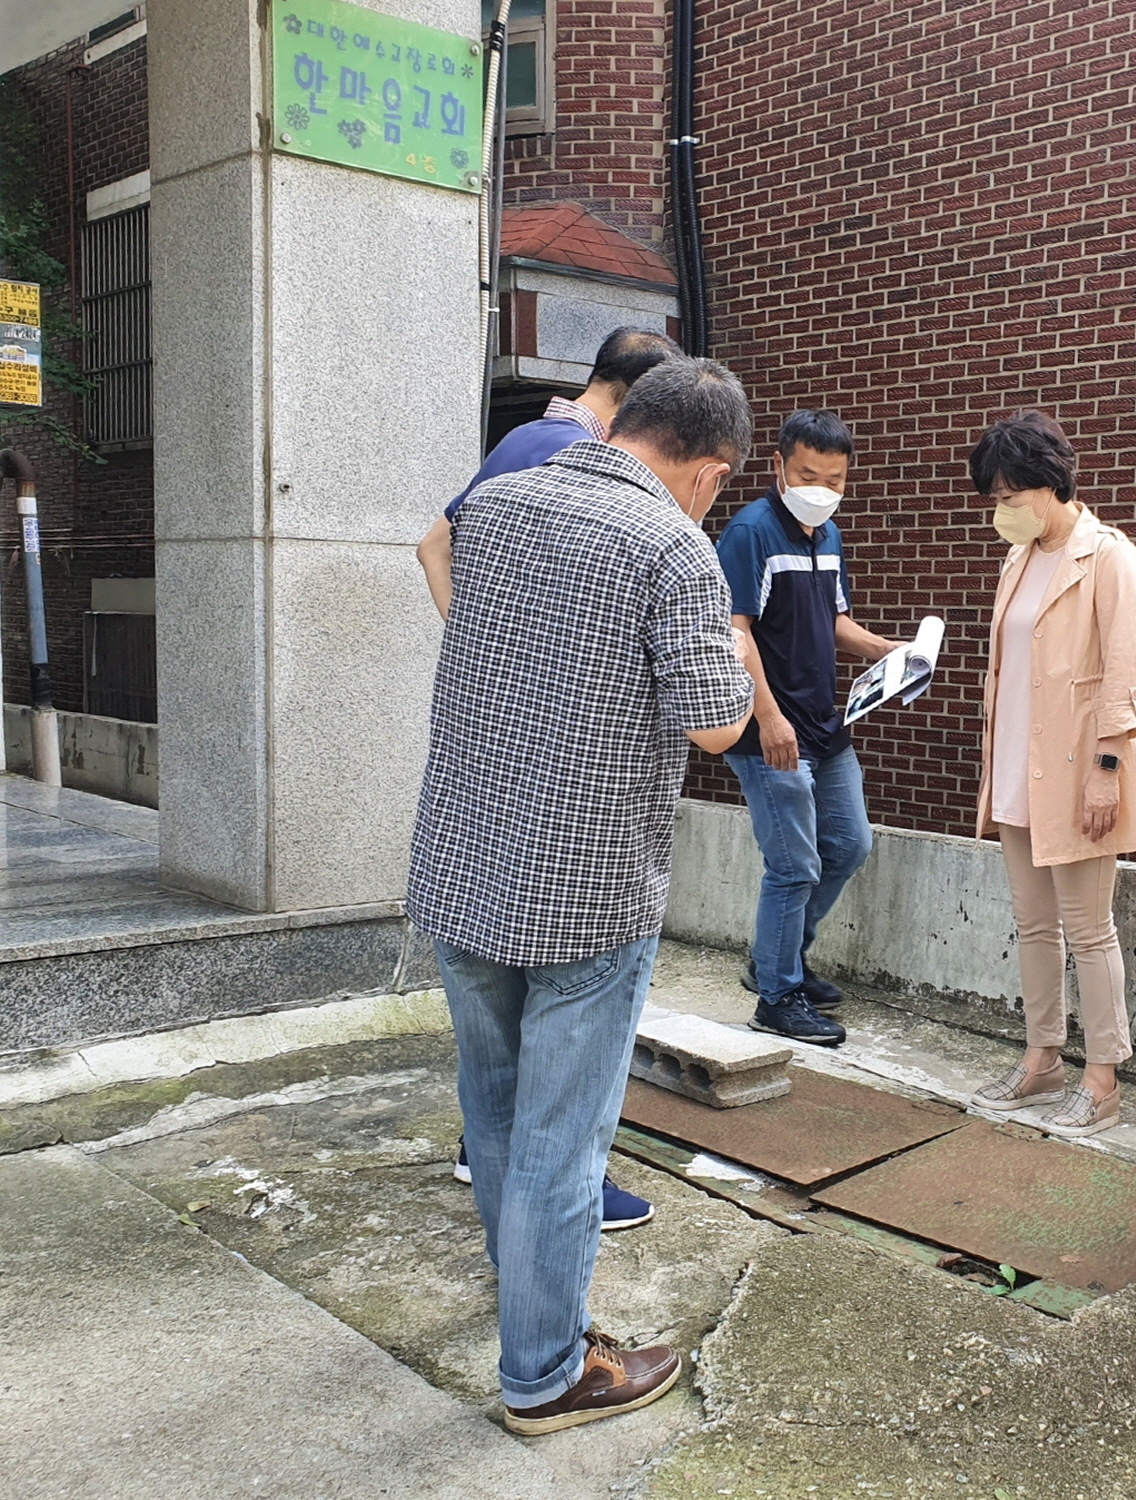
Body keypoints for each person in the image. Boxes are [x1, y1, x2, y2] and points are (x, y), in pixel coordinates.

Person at [406, 358, 756, 1437]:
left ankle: (532, 1319)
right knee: (563, 1141)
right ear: (707, 468)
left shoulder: (500, 500)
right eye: (718, 485)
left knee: (496, 1113)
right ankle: (547, 1374)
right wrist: (737, 649)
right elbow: (714, 724)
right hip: (585, 890)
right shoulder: (671, 544)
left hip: (461, 862)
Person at [421, 324, 679, 1231]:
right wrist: (505, 662)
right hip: (562, 804)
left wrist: (495, 659)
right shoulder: (562, 454)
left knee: (498, 1035)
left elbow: (439, 546)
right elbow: (432, 546)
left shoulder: (538, 443)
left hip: (495, 791)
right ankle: (551, 1195)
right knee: (549, 1050)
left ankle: (508, 1183)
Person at [967, 411, 1136, 1139]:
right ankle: (1041, 1056)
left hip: (1082, 772)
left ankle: (1103, 1080)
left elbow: (1125, 672)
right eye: (994, 499)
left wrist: (1108, 770)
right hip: (1019, 770)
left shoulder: (1108, 555)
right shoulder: (1017, 561)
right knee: (1033, 926)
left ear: (1048, 485)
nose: (1000, 511)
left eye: (1008, 496)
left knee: (1089, 930)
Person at [716, 410, 895, 1046]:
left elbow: (834, 619)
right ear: (780, 467)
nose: (821, 488)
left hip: (826, 724)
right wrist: (768, 715)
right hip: (770, 731)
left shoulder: (828, 534)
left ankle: (779, 959)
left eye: (836, 478)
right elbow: (734, 633)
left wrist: (883, 650)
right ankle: (778, 995)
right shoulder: (749, 534)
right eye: (808, 474)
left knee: (848, 846)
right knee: (793, 865)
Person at [416, 325, 680, 617]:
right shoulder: (589, 458)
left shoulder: (519, 437)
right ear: (644, 398)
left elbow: (432, 547)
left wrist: (467, 634)